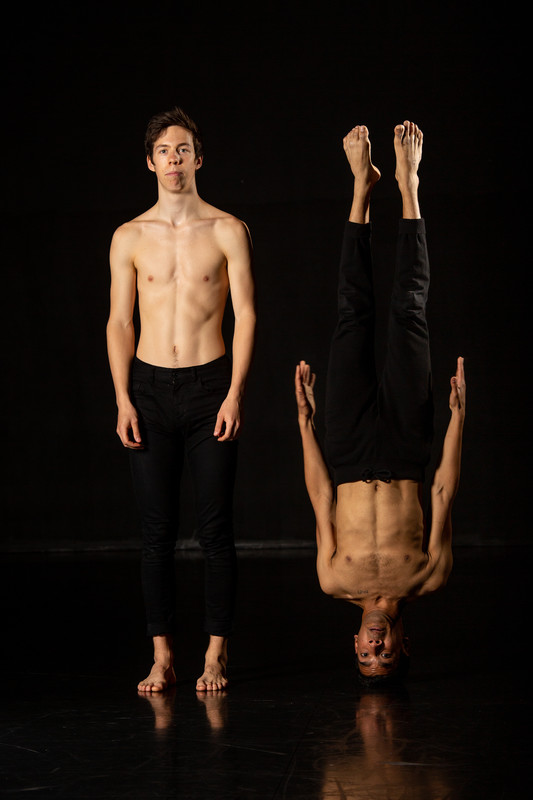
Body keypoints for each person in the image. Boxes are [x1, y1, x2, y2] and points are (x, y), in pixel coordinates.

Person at [295, 121, 465, 684]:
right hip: (405, 448)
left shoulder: (332, 579)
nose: (374, 647)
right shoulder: (426, 579)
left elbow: (320, 496)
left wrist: (305, 422)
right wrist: (457, 420)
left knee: (352, 316)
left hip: (343, 450)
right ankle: (409, 183)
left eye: (364, 656)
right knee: (409, 311)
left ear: (354, 642)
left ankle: (362, 190)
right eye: (385, 655)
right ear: (402, 643)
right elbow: (442, 490)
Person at [106, 106, 256, 692]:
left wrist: (235, 392)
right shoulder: (129, 236)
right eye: (164, 151)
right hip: (147, 388)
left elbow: (245, 316)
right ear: (151, 162)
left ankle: (216, 654)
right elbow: (119, 321)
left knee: (216, 529)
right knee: (156, 533)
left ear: (199, 158)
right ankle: (163, 655)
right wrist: (121, 396)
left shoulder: (227, 229)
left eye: (183, 149)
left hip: (209, 386)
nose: (174, 158)